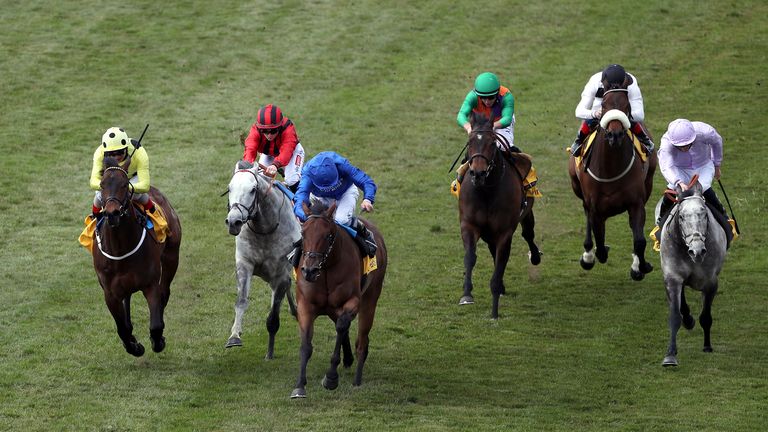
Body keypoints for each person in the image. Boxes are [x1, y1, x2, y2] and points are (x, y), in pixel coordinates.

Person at [654, 118, 733, 244]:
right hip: (679, 169)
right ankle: (660, 226)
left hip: (703, 167)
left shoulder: (705, 132)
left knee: (704, 189)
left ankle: (725, 220)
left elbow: (717, 141)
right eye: (680, 146)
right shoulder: (666, 143)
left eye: (687, 144)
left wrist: (717, 165)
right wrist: (678, 182)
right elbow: (667, 166)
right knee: (671, 192)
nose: (684, 148)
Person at [290, 151, 377, 265]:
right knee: (313, 225)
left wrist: (368, 199)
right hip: (320, 197)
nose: (330, 189)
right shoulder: (307, 174)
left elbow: (365, 180)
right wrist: (305, 216)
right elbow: (300, 198)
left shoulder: (342, 164)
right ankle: (298, 250)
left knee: (341, 220)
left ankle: (363, 231)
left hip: (345, 192)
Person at [570, 64, 654, 156]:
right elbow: (579, 111)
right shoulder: (595, 81)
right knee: (590, 120)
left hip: (623, 108)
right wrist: (594, 113)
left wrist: (622, 115)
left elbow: (640, 115)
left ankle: (646, 141)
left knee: (632, 121)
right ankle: (579, 141)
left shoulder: (631, 82)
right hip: (600, 108)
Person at [454, 72, 517, 183]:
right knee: (476, 144)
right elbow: (461, 115)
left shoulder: (506, 96)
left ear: (497, 93)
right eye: (483, 98)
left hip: (500, 122)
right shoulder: (472, 96)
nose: (487, 101)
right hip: (481, 123)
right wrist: (469, 128)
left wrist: (491, 126)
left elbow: (507, 119)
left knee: (502, 145)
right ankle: (465, 166)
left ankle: (524, 177)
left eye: (491, 97)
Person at [89, 126, 157, 218]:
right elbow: (93, 182)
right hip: (110, 181)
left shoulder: (138, 151)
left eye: (120, 152)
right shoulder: (99, 153)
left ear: (126, 148)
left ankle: (156, 218)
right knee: (98, 198)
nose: (116, 157)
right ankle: (93, 220)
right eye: (111, 154)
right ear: (105, 152)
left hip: (132, 178)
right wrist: (111, 186)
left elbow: (145, 186)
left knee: (137, 195)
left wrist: (123, 186)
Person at [243, 104, 305, 192]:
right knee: (260, 179)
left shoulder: (288, 128)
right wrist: (248, 165)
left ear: (279, 127)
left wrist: (276, 164)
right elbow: (250, 148)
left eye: (273, 131)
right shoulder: (255, 130)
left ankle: (302, 203)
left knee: (291, 180)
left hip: (292, 152)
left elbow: (287, 150)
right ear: (260, 128)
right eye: (264, 131)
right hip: (269, 154)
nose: (269, 135)